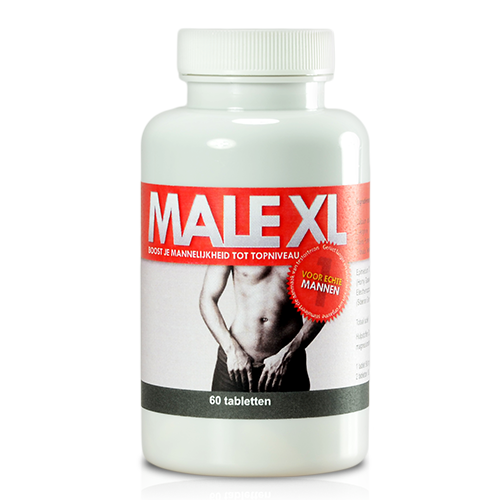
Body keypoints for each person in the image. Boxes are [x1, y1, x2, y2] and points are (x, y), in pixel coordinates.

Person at [199, 265, 324, 392]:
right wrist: (232, 350)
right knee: (225, 406)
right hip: (235, 362)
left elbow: (324, 303)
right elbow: (208, 298)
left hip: (288, 363)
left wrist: (289, 353)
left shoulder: (308, 251)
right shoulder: (233, 250)